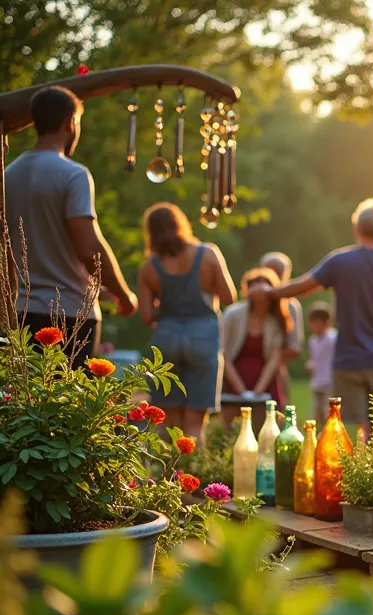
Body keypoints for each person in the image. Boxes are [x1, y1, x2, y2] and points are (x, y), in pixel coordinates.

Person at [252, 198, 373, 435]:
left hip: (347, 358)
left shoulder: (340, 261)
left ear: (356, 228)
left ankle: (347, 471)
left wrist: (269, 291)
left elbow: (302, 286)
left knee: (345, 426)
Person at [7, 86, 137, 365]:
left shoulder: (9, 174)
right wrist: (123, 295)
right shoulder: (73, 174)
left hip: (22, 313)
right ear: (70, 122)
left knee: (30, 405)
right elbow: (88, 248)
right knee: (67, 405)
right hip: (70, 316)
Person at [136, 203, 237, 441]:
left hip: (166, 340)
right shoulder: (208, 253)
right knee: (194, 427)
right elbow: (228, 297)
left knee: (167, 425)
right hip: (203, 338)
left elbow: (146, 316)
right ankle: (194, 476)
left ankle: (164, 478)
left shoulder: (149, 266)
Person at [220, 268, 295, 427]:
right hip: (234, 378)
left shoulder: (277, 319)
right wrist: (241, 391)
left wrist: (257, 392)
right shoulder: (233, 314)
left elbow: (275, 358)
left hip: (265, 381)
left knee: (263, 430)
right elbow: (223, 354)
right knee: (228, 431)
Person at [258, 252, 304, 402]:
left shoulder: (290, 306)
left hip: (277, 372)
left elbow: (294, 348)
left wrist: (271, 361)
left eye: (277, 272)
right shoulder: (251, 303)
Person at [306, 301, 337, 427]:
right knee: (316, 412)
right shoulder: (313, 340)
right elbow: (315, 358)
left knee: (328, 412)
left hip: (329, 382)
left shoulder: (332, 339)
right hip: (317, 382)